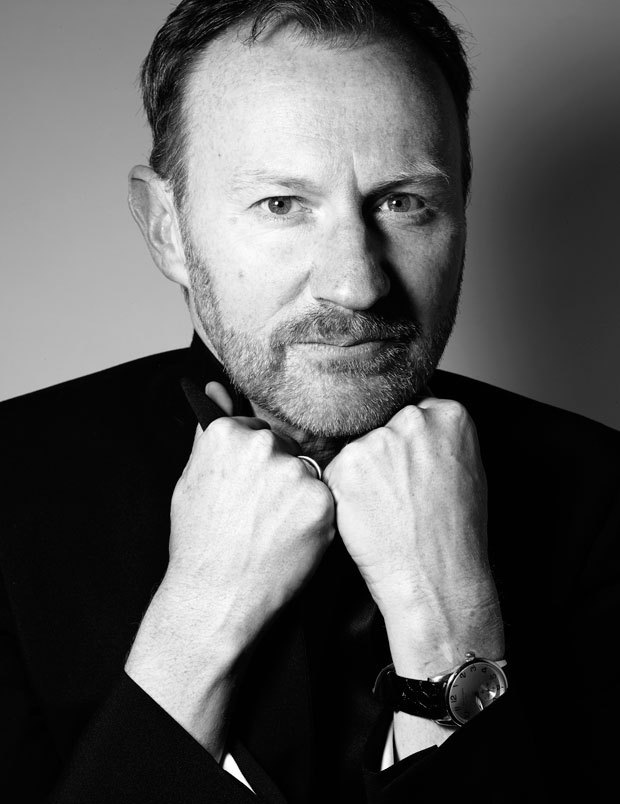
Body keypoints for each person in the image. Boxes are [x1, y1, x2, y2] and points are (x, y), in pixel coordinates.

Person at [1, 1, 617, 802]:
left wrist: (450, 626)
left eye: (403, 201)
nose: (356, 284)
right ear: (166, 229)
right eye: (282, 205)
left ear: (462, 205)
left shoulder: (605, 500)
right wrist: (197, 625)